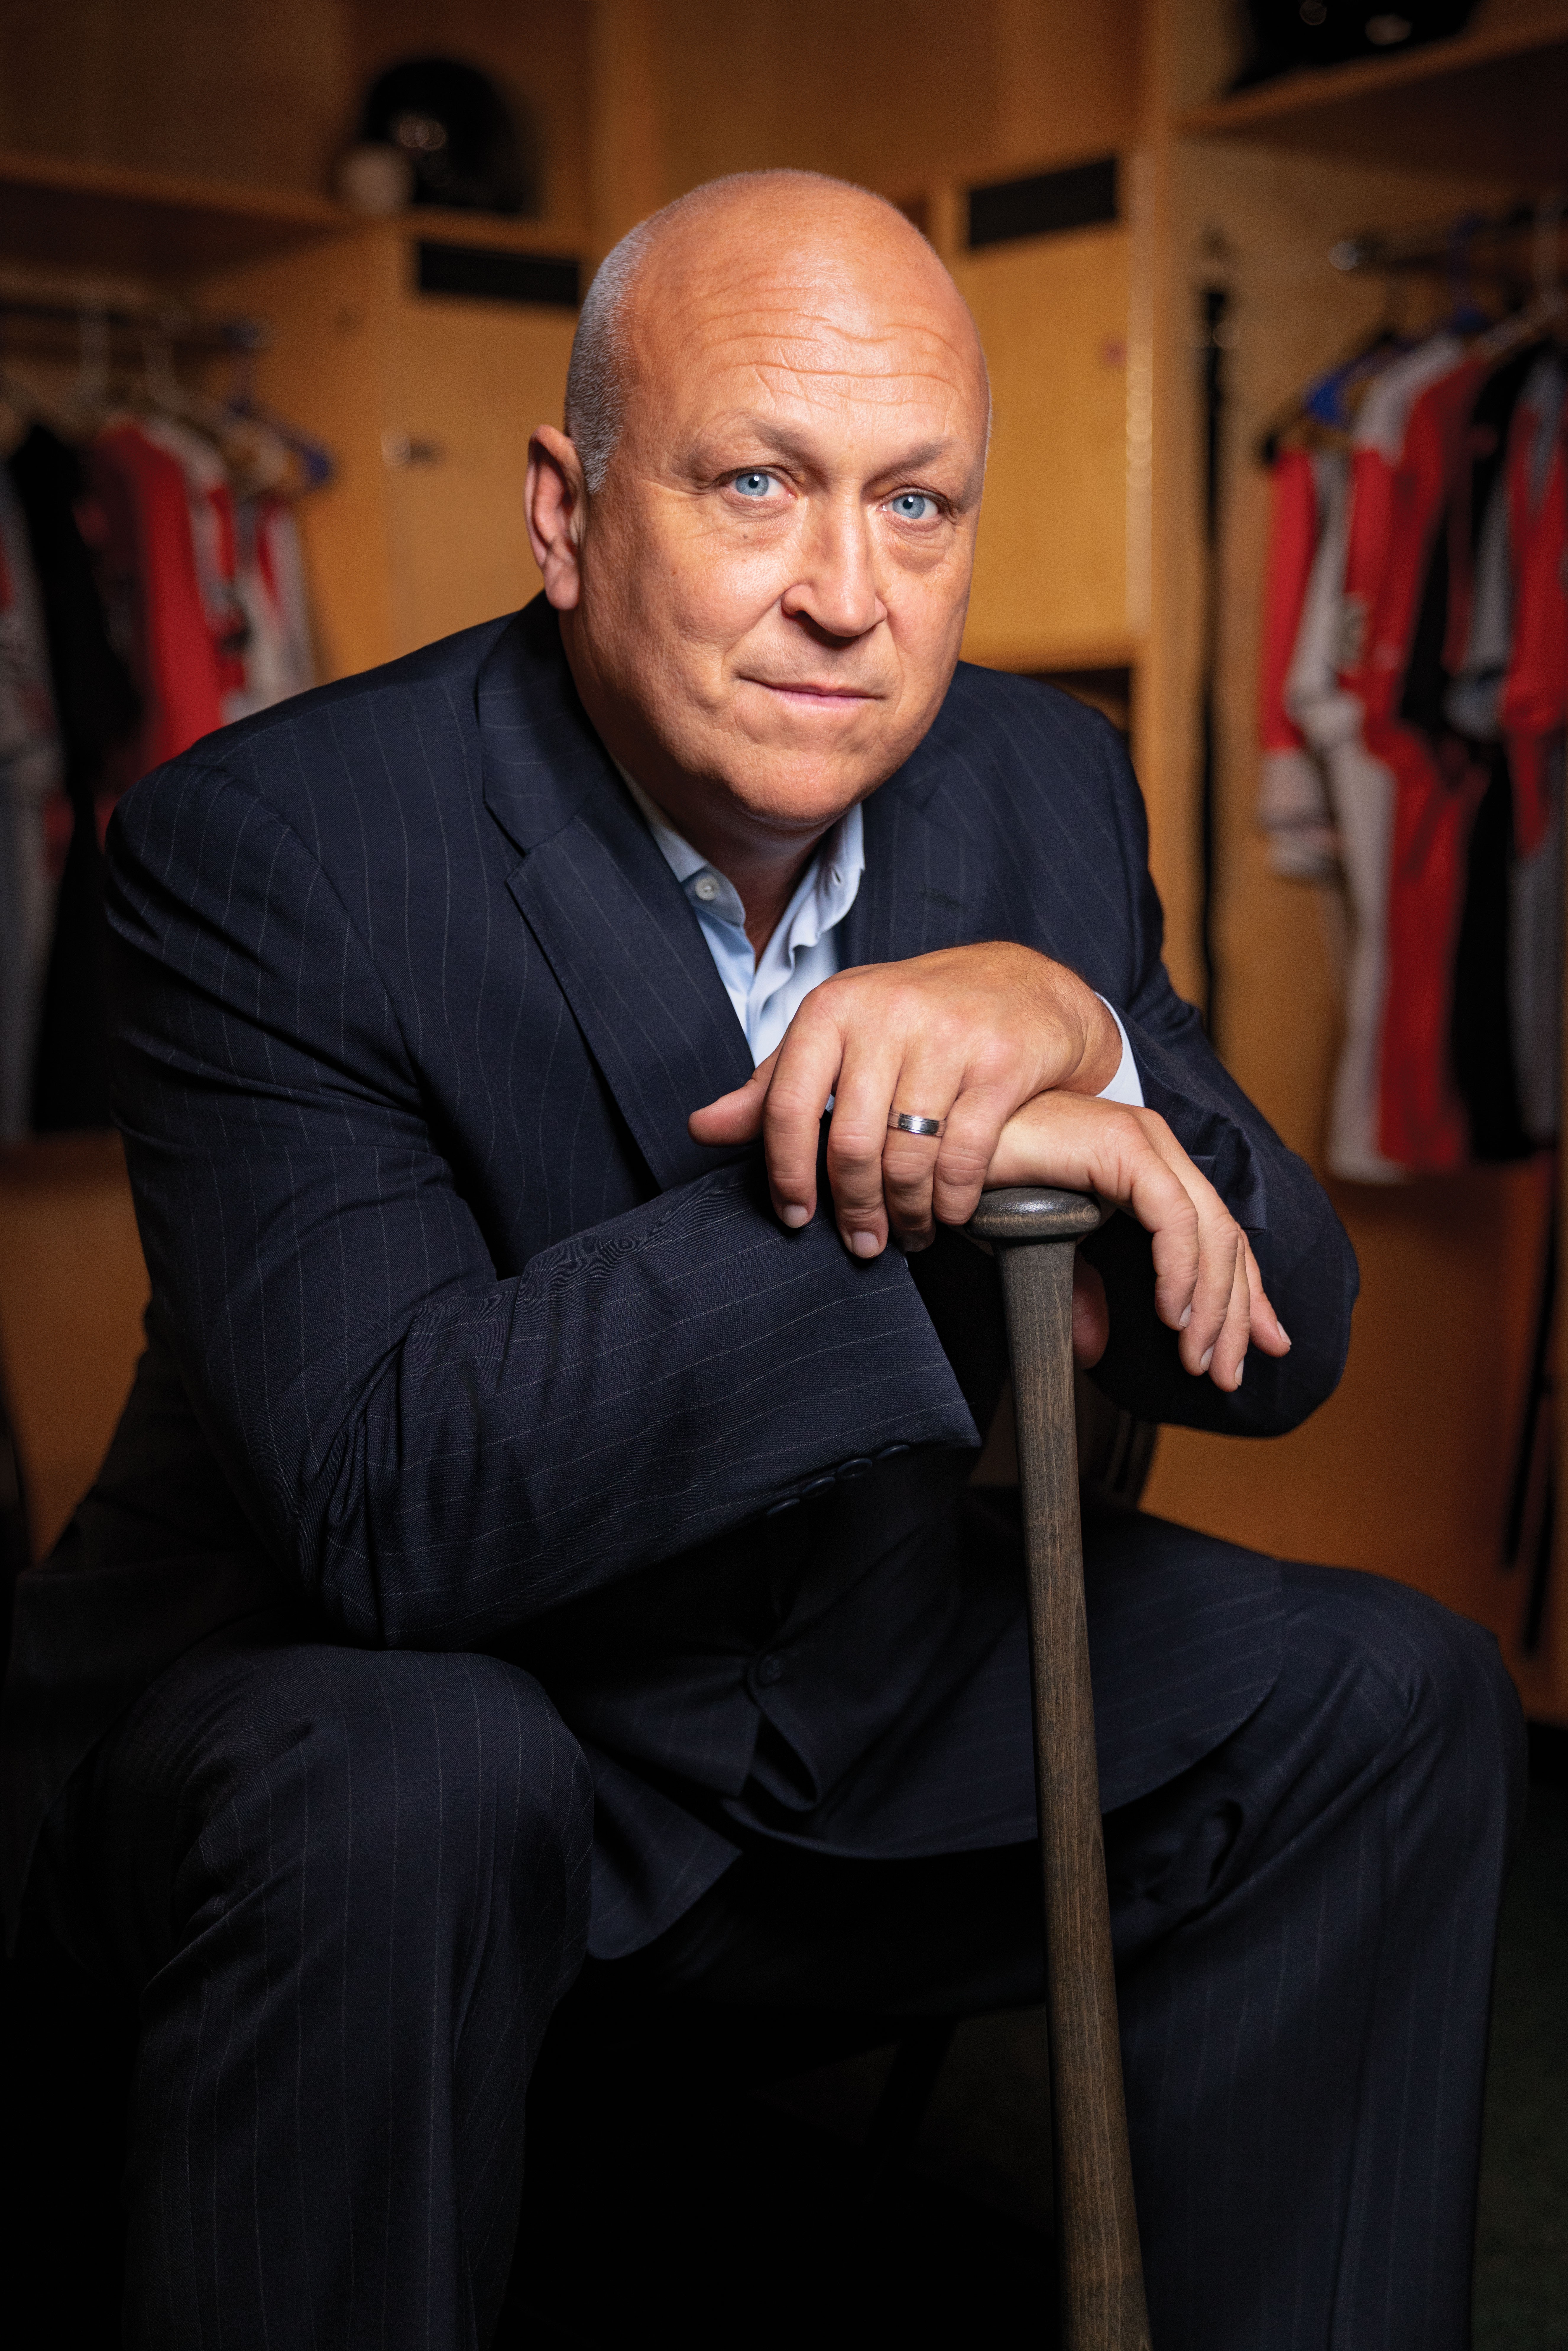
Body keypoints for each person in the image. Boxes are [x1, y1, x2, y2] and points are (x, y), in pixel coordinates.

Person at [0, 171, 1522, 2350]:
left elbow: (1276, 1337)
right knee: (416, 1770)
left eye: (918, 507)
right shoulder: (275, 848)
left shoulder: (1042, 785)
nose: (846, 594)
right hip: (376, 1742)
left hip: (844, 1682)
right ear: (565, 509)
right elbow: (388, 1515)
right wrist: (925, 1150)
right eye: (755, 484)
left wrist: (1070, 1028)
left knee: (1389, 1694)